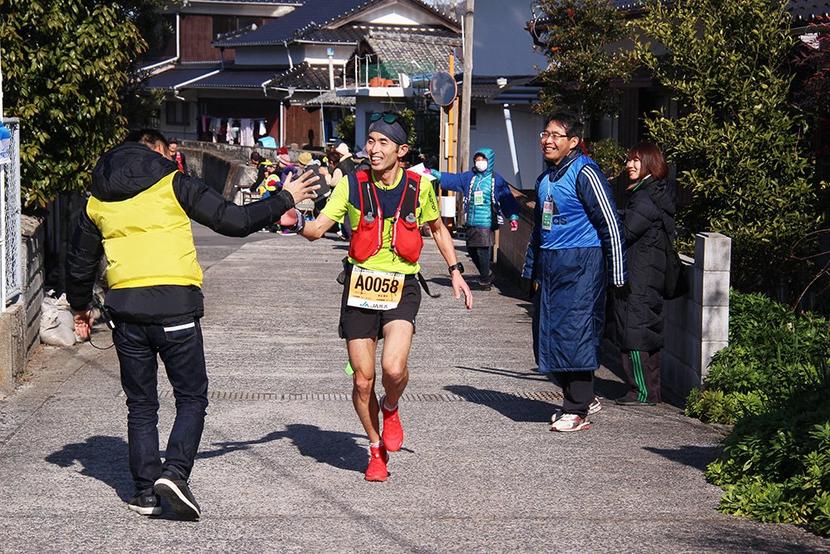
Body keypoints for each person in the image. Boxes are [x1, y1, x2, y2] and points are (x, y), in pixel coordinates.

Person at [66, 129, 319, 519]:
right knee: (191, 397)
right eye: (166, 150)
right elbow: (233, 220)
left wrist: (80, 307)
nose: (171, 155)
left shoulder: (97, 200)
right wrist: (285, 198)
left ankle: (144, 493)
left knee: (141, 404)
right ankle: (175, 472)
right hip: (175, 306)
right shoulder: (173, 182)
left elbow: (80, 260)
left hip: (126, 312)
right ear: (153, 149)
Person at [280, 111, 473, 481]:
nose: (373, 148)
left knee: (393, 369)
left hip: (402, 284)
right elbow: (318, 229)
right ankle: (375, 448)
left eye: (383, 142)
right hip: (360, 285)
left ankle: (392, 406)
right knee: (362, 380)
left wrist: (455, 271)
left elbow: (437, 229)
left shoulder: (420, 187)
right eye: (370, 140)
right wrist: (297, 221)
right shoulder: (352, 185)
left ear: (401, 150)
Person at [522, 112, 627, 433]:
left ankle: (576, 408)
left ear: (573, 142)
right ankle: (582, 397)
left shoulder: (586, 172)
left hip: (583, 264)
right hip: (551, 266)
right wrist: (532, 271)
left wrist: (617, 274)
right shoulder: (546, 179)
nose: (548, 140)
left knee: (575, 333)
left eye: (556, 135)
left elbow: (610, 223)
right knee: (548, 334)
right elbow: (539, 230)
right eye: (545, 134)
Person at [611, 142, 674, 406]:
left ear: (650, 163)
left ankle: (641, 391)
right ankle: (651, 391)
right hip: (649, 274)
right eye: (629, 160)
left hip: (641, 276)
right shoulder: (654, 192)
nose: (630, 165)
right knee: (646, 332)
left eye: (636, 160)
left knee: (634, 332)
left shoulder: (645, 197)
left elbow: (625, 232)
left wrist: (610, 218)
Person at [431, 148, 520, 290]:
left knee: (483, 251)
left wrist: (513, 216)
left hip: (486, 221)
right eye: (477, 160)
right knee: (471, 249)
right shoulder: (469, 177)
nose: (479, 162)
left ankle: (485, 280)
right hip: (471, 221)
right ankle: (487, 274)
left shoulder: (496, 180)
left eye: (482, 159)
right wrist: (435, 174)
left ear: (489, 161)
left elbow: (506, 198)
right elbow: (453, 179)